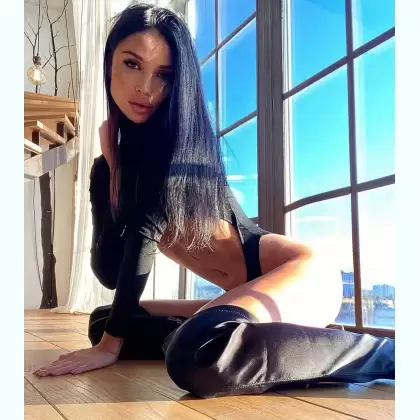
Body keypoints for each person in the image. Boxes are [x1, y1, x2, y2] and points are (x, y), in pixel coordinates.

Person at [33, 3, 394, 398]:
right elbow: (108, 274)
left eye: (164, 75)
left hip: (300, 274)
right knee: (105, 321)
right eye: (132, 64)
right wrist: (114, 172)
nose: (146, 87)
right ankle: (263, 341)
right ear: (109, 66)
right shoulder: (108, 168)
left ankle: (389, 354)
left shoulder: (175, 152)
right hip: (239, 298)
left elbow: (144, 234)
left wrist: (108, 349)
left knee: (192, 352)